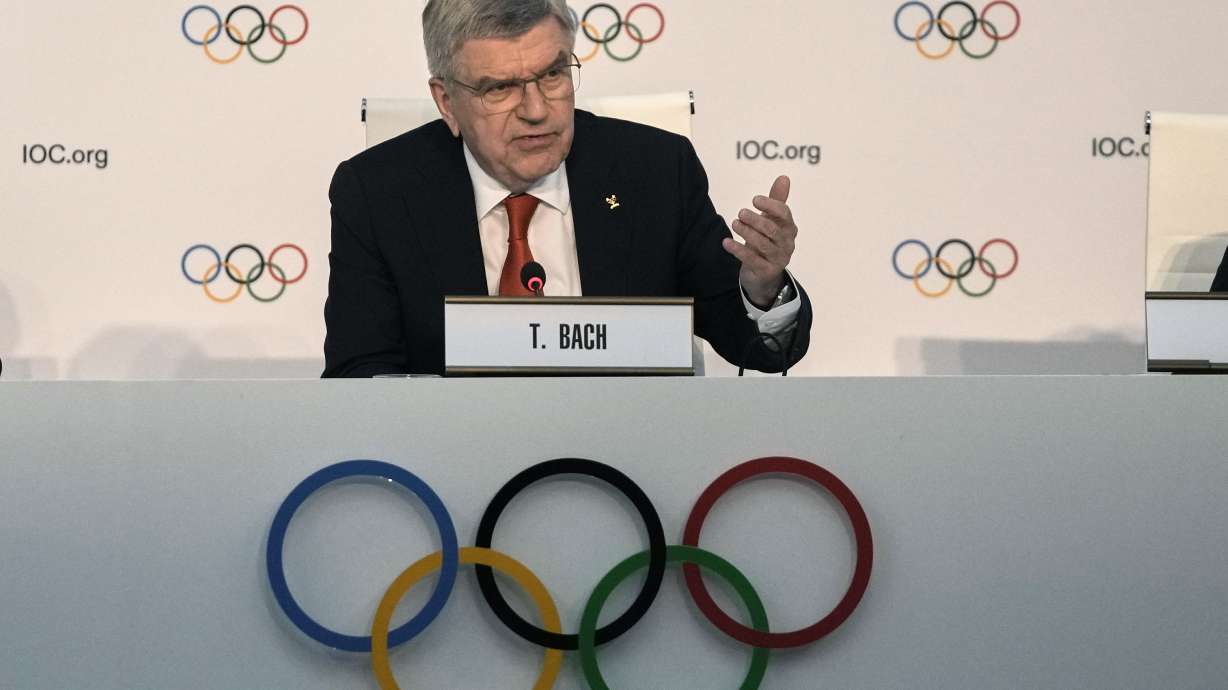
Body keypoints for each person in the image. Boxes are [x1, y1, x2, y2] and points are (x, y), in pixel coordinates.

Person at [322, 0, 813, 377]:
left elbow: (753, 346)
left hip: (631, 463)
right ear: (447, 101)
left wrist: (761, 288)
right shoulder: (377, 193)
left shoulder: (655, 171)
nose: (536, 110)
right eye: (500, 88)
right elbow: (362, 378)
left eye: (553, 74)